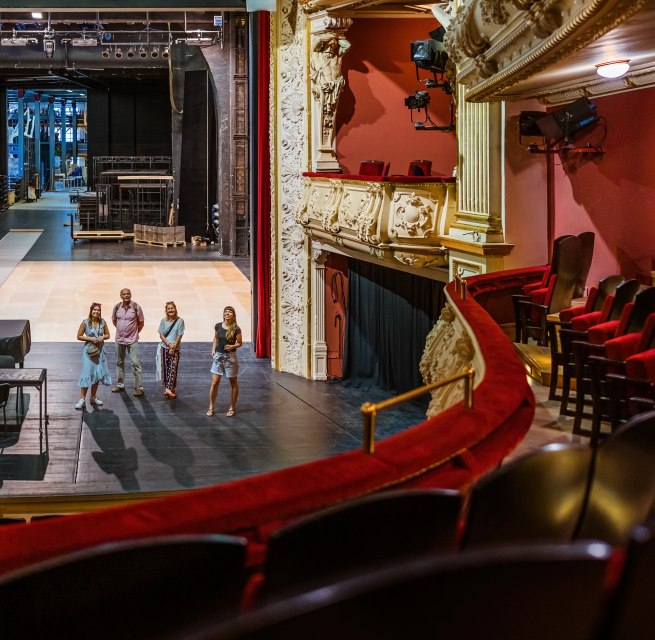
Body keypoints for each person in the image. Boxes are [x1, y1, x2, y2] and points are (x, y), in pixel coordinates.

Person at [207, 305, 242, 417]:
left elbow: (239, 343)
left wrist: (232, 346)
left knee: (233, 383)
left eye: (230, 312)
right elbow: (216, 338)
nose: (227, 313)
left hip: (230, 357)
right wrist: (213, 349)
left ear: (233, 315)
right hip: (218, 356)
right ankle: (211, 407)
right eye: (225, 311)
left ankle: (232, 408)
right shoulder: (218, 326)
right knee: (215, 383)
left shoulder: (236, 329)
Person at [75, 302, 111, 410]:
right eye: (94, 309)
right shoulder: (85, 322)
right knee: (87, 372)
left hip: (99, 351)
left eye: (98, 310)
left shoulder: (103, 322)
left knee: (97, 373)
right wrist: (90, 339)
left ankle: (93, 397)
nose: (96, 311)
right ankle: (82, 399)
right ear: (91, 311)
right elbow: (79, 336)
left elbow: (108, 335)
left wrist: (102, 337)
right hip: (88, 352)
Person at [111, 288, 145, 396]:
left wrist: (134, 332)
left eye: (128, 294)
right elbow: (114, 320)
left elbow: (141, 322)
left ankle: (138, 387)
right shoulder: (117, 307)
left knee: (135, 363)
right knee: (119, 362)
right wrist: (121, 330)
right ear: (121, 296)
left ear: (130, 295)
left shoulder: (136, 307)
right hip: (119, 339)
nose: (126, 295)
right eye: (124, 294)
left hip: (132, 340)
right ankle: (120, 384)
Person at [157, 301, 185, 399]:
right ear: (166, 310)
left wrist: (173, 347)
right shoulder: (163, 321)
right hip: (165, 347)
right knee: (165, 369)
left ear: (175, 309)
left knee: (173, 368)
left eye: (172, 308)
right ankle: (170, 388)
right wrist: (169, 345)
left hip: (175, 348)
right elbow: (161, 335)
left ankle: (168, 388)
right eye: (169, 308)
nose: (171, 310)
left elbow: (179, 335)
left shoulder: (180, 321)